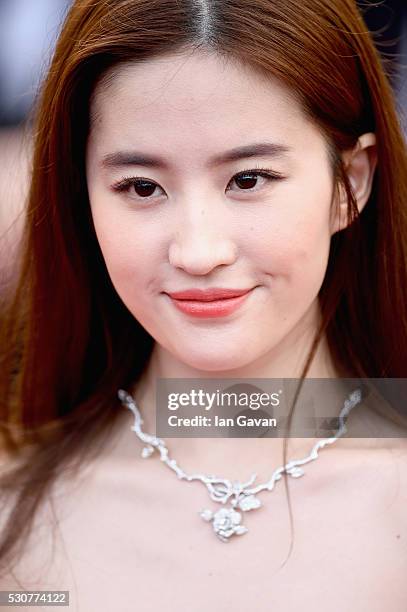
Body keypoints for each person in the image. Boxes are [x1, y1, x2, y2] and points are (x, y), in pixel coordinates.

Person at [0, 0, 406, 609]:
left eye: (248, 180)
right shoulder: (14, 513)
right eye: (142, 188)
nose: (198, 251)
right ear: (80, 198)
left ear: (351, 182)